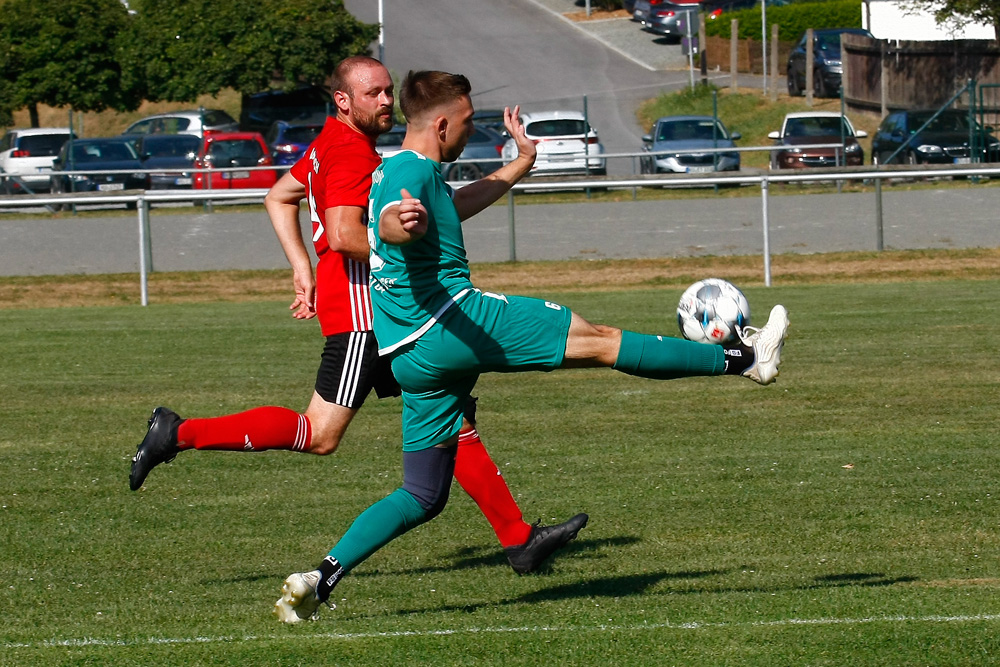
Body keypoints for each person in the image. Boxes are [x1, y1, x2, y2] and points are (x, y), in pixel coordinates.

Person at [274, 70, 790, 623]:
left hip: (409, 353)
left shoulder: (398, 169)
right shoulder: (405, 173)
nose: (472, 132)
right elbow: (393, 223)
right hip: (454, 320)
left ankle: (318, 579)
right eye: (469, 122)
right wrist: (400, 224)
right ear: (442, 123)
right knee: (601, 342)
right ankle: (744, 358)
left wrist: (519, 164)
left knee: (422, 494)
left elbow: (441, 207)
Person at [128, 56, 588, 601]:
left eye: (390, 91)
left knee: (450, 414)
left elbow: (279, 196)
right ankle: (178, 433)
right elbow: (347, 235)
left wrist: (302, 268)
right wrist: (413, 252)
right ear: (344, 101)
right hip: (370, 319)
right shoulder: (350, 155)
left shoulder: (328, 143)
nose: (387, 102)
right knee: (318, 434)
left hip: (377, 312)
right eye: (374, 94)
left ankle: (517, 537)